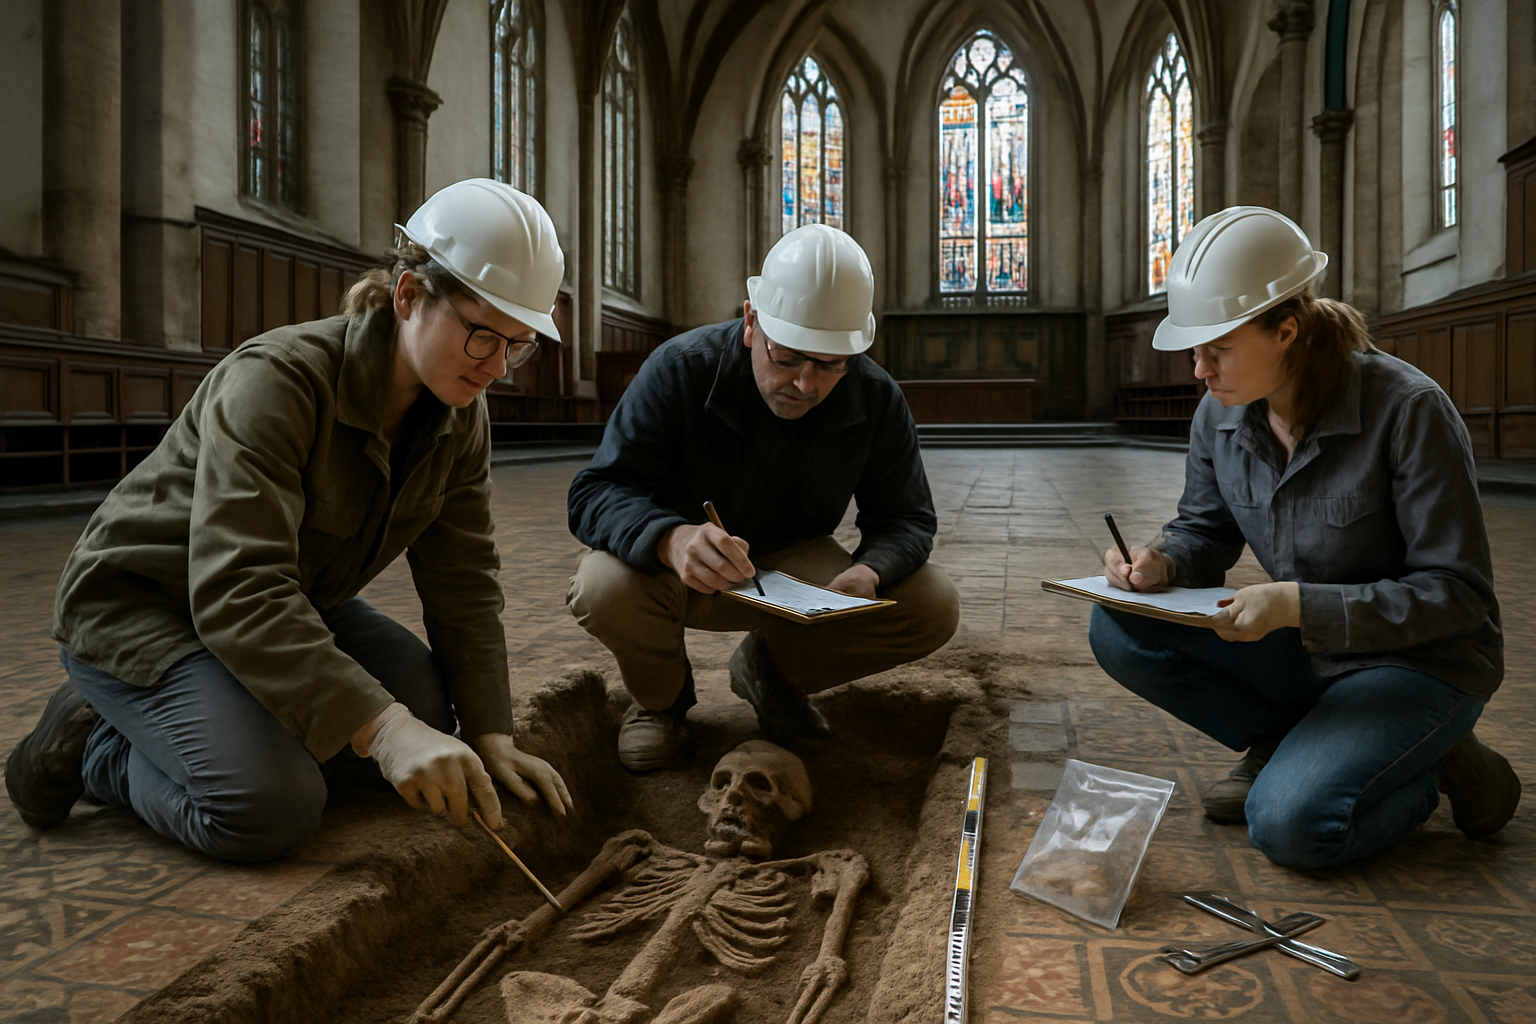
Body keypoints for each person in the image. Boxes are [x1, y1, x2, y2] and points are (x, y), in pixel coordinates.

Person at [4, 178, 575, 862]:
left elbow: (465, 584)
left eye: (519, 345)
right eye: (483, 334)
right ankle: (104, 745)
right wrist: (381, 732)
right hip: (147, 606)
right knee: (269, 805)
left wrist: (491, 734)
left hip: (282, 598)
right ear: (409, 296)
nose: (499, 368)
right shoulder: (278, 380)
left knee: (428, 710)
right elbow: (235, 588)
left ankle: (217, 717)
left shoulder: (459, 415)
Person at [1089, 206, 1520, 869]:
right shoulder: (1220, 412)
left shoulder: (1408, 410)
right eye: (1196, 351)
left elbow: (1458, 597)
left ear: (1286, 331)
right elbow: (1204, 529)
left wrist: (1296, 607)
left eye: (1217, 350)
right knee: (1117, 626)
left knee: (1291, 827)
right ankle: (1308, 740)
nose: (1199, 371)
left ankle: (1432, 769)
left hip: (1423, 664)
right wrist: (1162, 561)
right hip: (1311, 649)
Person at [566, 224, 960, 772]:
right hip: (678, 571)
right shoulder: (679, 369)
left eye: (829, 365)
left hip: (798, 569)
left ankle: (770, 675)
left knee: (932, 603)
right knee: (601, 584)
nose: (806, 385)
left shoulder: (875, 397)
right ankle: (662, 701)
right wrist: (668, 538)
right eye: (790, 358)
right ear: (752, 322)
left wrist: (872, 569)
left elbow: (907, 517)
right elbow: (595, 491)